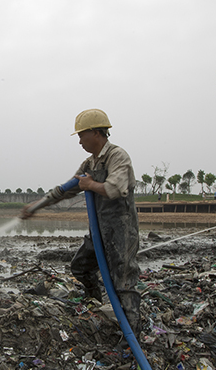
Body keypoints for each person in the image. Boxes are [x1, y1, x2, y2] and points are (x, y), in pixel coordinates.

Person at [22, 109, 142, 334]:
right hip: (98, 231)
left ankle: (132, 335)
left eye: (81, 135)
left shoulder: (118, 156)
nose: (79, 141)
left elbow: (115, 188)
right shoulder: (89, 164)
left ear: (96, 133)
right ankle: (94, 302)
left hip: (121, 232)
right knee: (81, 267)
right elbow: (66, 190)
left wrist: (91, 186)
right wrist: (36, 206)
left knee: (123, 283)